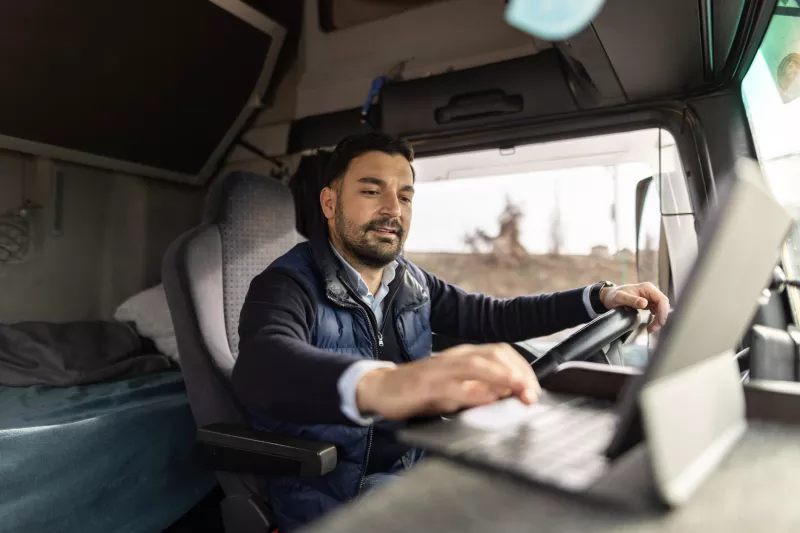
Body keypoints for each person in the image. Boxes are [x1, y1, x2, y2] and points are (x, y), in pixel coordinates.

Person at [232, 132, 670, 531]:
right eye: (371, 191)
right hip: (339, 490)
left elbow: (493, 317)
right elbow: (262, 364)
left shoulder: (408, 280)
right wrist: (385, 381)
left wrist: (598, 297)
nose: (392, 210)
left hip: (421, 458)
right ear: (329, 204)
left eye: (405, 197)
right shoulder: (286, 283)